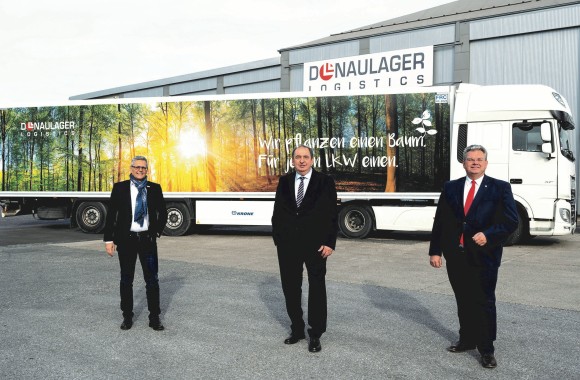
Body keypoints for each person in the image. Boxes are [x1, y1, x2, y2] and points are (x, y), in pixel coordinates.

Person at [429, 144, 518, 369]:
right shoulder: (451, 187)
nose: (475, 162)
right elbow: (440, 221)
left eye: (479, 159)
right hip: (456, 256)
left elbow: (510, 221)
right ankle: (467, 340)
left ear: (486, 163)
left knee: (484, 301)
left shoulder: (500, 188)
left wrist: (488, 235)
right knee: (464, 299)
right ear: (464, 163)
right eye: (470, 159)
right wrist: (435, 251)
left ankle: (486, 349)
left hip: (484, 257)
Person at [271, 145, 338, 353]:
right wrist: (279, 238)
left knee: (317, 288)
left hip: (316, 246)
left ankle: (315, 334)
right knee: (290, 288)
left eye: (305, 157)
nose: (302, 160)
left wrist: (329, 242)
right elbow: (278, 211)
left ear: (312, 160)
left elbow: (332, 214)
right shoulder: (284, 181)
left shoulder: (325, 182)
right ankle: (297, 329)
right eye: (298, 157)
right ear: (293, 160)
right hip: (288, 246)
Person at [103, 156, 168, 331]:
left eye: (144, 168)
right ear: (131, 168)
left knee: (152, 280)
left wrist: (157, 231)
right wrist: (109, 240)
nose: (140, 170)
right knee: (126, 280)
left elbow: (163, 212)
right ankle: (127, 317)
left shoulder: (154, 188)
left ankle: (154, 318)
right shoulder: (120, 188)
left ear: (147, 170)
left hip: (147, 240)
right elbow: (111, 216)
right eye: (137, 167)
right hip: (126, 241)